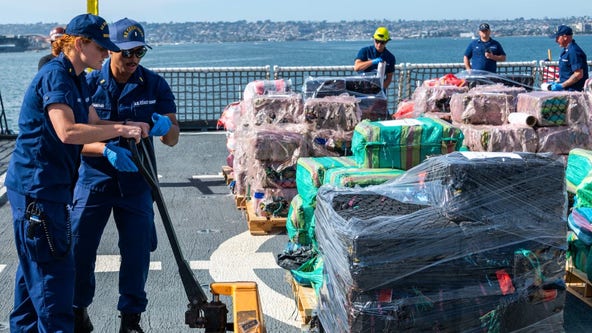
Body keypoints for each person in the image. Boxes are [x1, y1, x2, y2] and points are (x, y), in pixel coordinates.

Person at [5, 13, 149, 333]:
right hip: (38, 192)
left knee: (31, 288)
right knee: (54, 283)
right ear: (81, 44)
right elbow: (67, 132)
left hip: (50, 189)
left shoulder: (78, 79)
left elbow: (94, 124)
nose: (106, 54)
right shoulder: (56, 77)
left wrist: (126, 130)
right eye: (101, 47)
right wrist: (122, 129)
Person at [71, 17, 180, 333]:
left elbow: (173, 137)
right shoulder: (88, 85)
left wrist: (164, 127)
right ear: (110, 50)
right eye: (127, 52)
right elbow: (70, 138)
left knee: (136, 253)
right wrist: (104, 150)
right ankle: (78, 311)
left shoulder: (155, 85)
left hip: (137, 182)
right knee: (80, 249)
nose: (133, 59)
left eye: (140, 52)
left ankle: (131, 319)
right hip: (94, 180)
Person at [547, 25, 589, 92]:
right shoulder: (565, 50)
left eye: (557, 38)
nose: (556, 41)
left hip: (575, 91)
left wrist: (562, 85)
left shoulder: (574, 51)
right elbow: (567, 74)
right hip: (566, 90)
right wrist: (557, 82)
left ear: (565, 37)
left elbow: (578, 74)